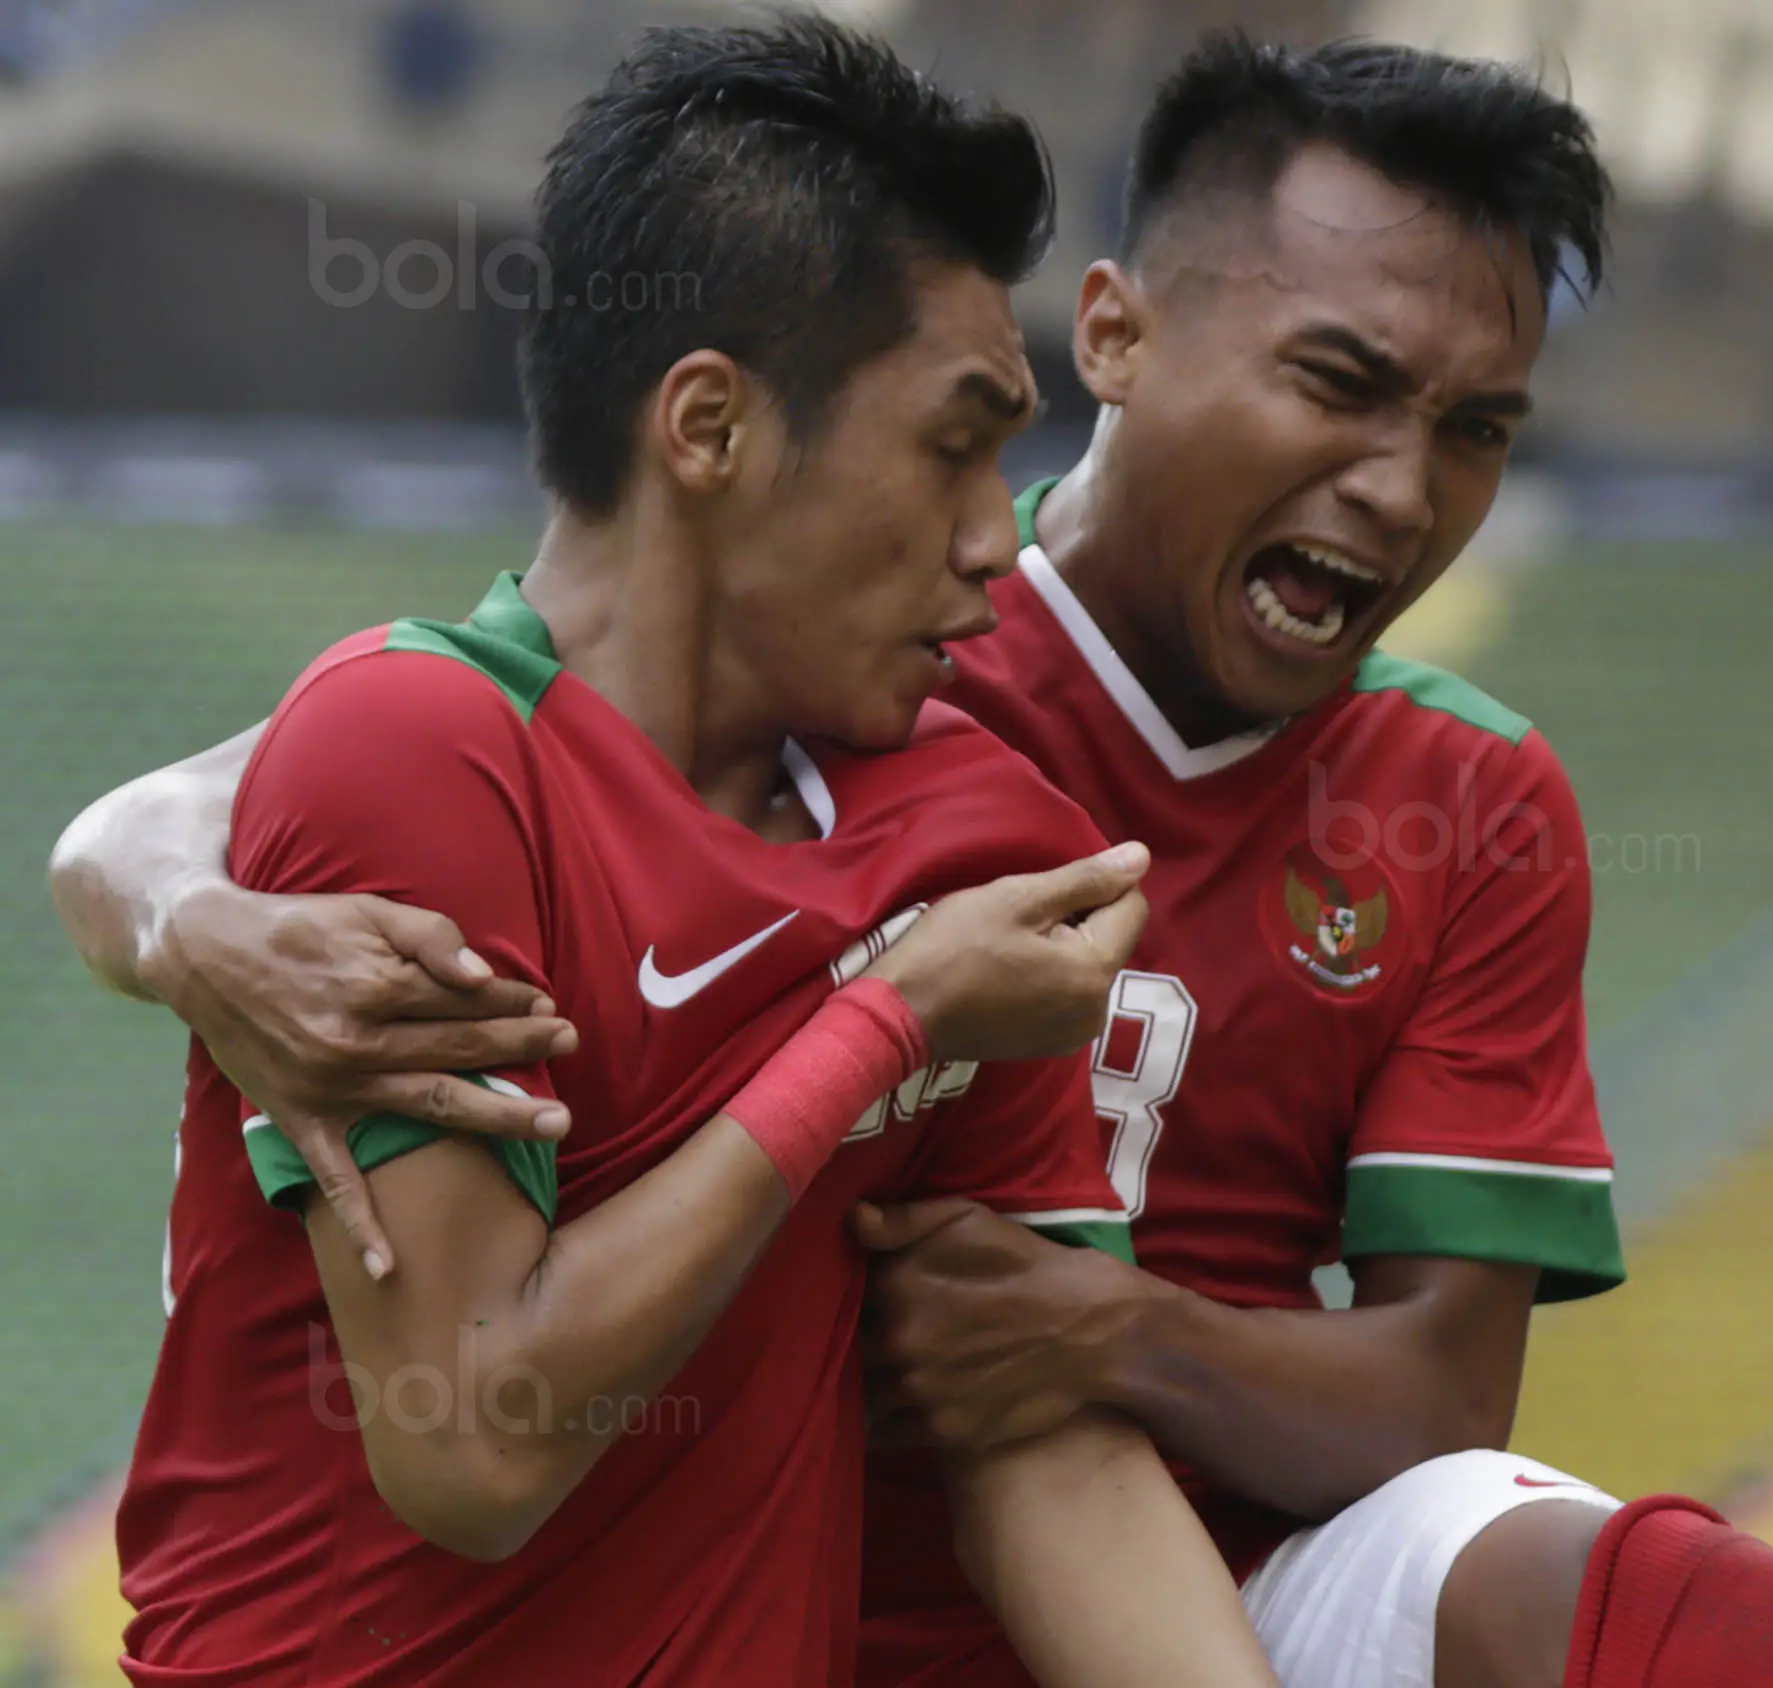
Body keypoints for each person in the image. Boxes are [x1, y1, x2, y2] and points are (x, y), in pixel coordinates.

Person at [53, 39, 1773, 1688]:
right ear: (1116, 336)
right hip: (602, 1600)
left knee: (1516, 1549)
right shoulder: (685, 721)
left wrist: (1108, 1322)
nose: (1405, 492)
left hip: (1159, 1577)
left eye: (1479, 430)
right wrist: (188, 912)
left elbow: (1246, 1423)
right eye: (1340, 384)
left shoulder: (1068, 828)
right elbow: (266, 805)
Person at [66, 19, 1279, 1688]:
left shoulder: (976, 842)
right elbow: (474, 1444)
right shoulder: (423, 755)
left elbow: (1044, 1454)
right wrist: (887, 1028)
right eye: (953, 441)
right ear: (706, 428)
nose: (999, 533)